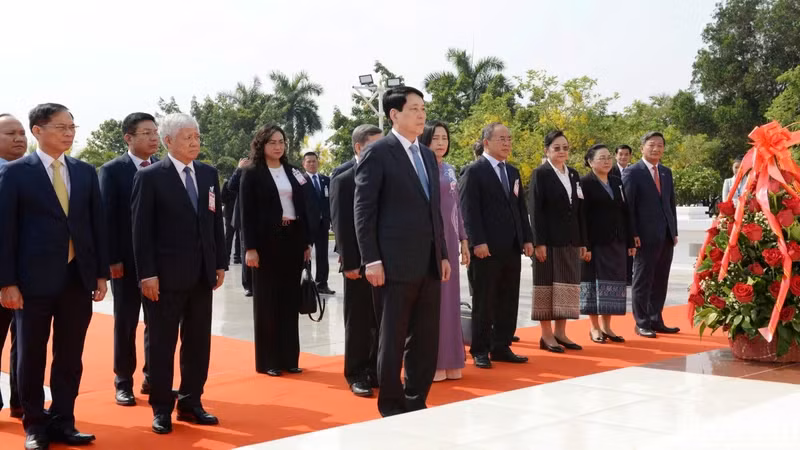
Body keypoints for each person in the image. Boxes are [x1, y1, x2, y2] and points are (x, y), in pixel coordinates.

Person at [0, 103, 109, 449]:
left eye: (72, 127)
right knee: (30, 353)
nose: (69, 133)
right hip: (31, 282)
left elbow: (95, 227)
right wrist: (7, 281)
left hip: (77, 279)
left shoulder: (84, 171)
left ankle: (64, 419)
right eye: (61, 127)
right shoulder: (16, 173)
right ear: (38, 131)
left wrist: (101, 274)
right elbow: (5, 232)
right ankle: (34, 424)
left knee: (70, 354)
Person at [354, 86, 450, 417]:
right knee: (392, 337)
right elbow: (364, 211)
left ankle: (416, 398)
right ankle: (391, 404)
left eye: (423, 108)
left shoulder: (426, 155)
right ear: (394, 115)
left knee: (425, 337)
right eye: (414, 109)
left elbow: (433, 209)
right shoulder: (378, 153)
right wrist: (372, 259)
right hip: (393, 264)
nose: (421, 114)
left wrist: (444, 254)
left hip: (428, 262)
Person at [132, 113, 227, 434]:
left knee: (198, 342)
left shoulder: (208, 174)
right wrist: (147, 274)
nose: (195, 142)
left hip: (202, 275)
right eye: (187, 137)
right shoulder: (150, 177)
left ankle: (191, 401)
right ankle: (161, 407)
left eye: (197, 136)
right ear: (168, 140)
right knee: (161, 343)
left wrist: (219, 263)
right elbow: (140, 231)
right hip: (164, 277)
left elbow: (216, 223)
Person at [240, 124, 314, 377]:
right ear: (262, 144)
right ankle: (268, 360)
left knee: (289, 300)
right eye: (272, 142)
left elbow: (303, 206)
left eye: (281, 141)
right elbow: (246, 214)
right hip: (265, 242)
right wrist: (250, 248)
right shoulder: (251, 173)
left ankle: (288, 357)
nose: (278, 146)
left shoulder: (293, 172)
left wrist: (306, 242)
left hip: (292, 238)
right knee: (267, 301)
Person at [459, 122, 533, 369]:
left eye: (509, 139)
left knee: (508, 298)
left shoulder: (512, 171)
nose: (507, 143)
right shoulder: (473, 171)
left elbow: (520, 208)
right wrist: (477, 241)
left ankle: (501, 346)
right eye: (502, 139)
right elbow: (468, 211)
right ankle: (480, 349)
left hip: (511, 247)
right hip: (486, 248)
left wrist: (527, 238)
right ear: (487, 142)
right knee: (485, 299)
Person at [98, 112, 159, 406]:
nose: (153, 138)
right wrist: (112, 259)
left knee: (158, 322)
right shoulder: (112, 171)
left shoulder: (163, 168)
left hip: (158, 263)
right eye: (146, 133)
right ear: (128, 138)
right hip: (125, 262)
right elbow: (107, 218)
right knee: (125, 322)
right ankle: (123, 381)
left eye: (155, 132)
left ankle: (153, 377)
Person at [330, 124, 383, 397]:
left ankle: (376, 369)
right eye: (375, 145)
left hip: (385, 261)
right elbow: (341, 225)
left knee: (381, 320)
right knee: (359, 321)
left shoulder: (387, 176)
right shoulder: (344, 179)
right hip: (358, 264)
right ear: (359, 147)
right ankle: (356, 373)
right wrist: (350, 262)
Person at [529, 130, 587, 353]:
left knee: (567, 286)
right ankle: (546, 335)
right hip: (548, 241)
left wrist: (582, 240)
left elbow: (579, 209)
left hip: (570, 240)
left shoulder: (573, 174)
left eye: (565, 147)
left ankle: (561, 332)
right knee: (546, 286)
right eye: (556, 148)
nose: (562, 152)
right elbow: (535, 210)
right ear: (547, 150)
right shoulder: (540, 174)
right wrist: (538, 242)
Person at [420, 121, 469, 380]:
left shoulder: (450, 170)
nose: (441, 142)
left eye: (444, 138)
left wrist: (463, 239)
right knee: (434, 302)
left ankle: (452, 358)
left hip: (451, 241)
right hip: (431, 242)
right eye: (436, 137)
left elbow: (457, 208)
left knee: (451, 301)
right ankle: (434, 361)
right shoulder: (420, 169)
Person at [622, 131, 680, 338]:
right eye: (652, 145)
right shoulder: (632, 172)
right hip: (643, 236)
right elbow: (628, 207)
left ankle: (656, 318)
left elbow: (670, 203)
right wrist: (632, 233)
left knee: (661, 279)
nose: (656, 149)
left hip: (665, 234)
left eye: (660, 145)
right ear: (642, 148)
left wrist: (674, 231)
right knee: (642, 279)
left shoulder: (666, 172)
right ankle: (642, 322)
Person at [579, 144, 635, 343]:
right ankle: (594, 328)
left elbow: (625, 211)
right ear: (590, 162)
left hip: (617, 241)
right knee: (593, 286)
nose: (606, 161)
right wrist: (583, 244)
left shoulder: (616, 181)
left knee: (612, 284)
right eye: (601, 158)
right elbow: (581, 216)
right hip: (595, 242)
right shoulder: (584, 183)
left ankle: (607, 327)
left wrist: (630, 239)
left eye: (608, 157)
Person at [0, 113, 27, 420]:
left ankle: (22, 402)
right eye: (11, 133)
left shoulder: (34, 173)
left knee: (26, 342)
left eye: (22, 132)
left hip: (27, 274)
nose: (19, 138)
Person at [302, 151, 335, 295]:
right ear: (304, 164)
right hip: (307, 226)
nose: (311, 164)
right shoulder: (300, 181)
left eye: (314, 161)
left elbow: (331, 201)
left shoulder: (326, 180)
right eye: (308, 161)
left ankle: (322, 283)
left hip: (323, 224)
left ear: (318, 162)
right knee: (305, 255)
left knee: (322, 255)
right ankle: (305, 284)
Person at [227, 160, 253, 296]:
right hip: (245, 218)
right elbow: (231, 186)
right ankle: (248, 285)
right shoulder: (244, 169)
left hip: (264, 218)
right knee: (247, 252)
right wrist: (238, 169)